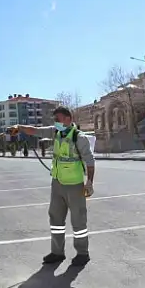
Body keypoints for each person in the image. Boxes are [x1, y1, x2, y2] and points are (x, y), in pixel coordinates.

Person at [9, 106, 95, 266]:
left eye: (58, 119)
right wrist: (19, 127)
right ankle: (57, 252)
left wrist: (89, 182)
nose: (56, 123)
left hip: (75, 185)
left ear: (68, 119)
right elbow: (35, 130)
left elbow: (90, 161)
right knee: (55, 219)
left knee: (78, 221)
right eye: (54, 120)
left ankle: (83, 253)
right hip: (57, 184)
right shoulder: (55, 132)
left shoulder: (79, 138)